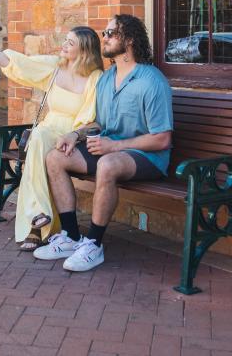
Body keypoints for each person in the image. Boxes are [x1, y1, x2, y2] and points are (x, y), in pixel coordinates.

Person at [34, 14, 172, 272]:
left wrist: (113, 146)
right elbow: (97, 122)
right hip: (110, 148)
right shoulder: (107, 79)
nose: (104, 39)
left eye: (110, 34)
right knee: (55, 158)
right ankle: (71, 237)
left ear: (129, 40)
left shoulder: (151, 81)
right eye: (104, 33)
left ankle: (94, 245)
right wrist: (75, 135)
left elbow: (162, 139)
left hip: (148, 156)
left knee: (107, 164)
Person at [0, 27, 104, 251]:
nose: (63, 45)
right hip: (48, 129)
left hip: (74, 135)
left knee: (37, 150)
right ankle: (39, 216)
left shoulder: (95, 78)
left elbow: (92, 118)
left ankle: (36, 222)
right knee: (39, 139)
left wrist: (73, 135)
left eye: (70, 43)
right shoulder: (54, 66)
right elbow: (13, 61)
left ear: (84, 50)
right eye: (65, 40)